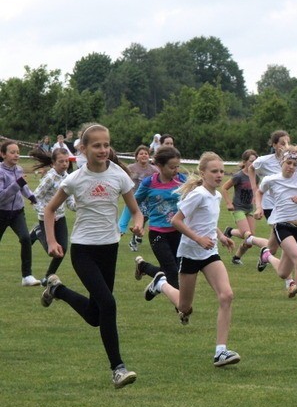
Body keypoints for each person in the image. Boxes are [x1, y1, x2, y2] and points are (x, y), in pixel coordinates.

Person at [40, 123, 143, 388]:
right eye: (96, 145)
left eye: (106, 144)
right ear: (83, 149)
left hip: (109, 249)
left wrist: (138, 222)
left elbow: (135, 210)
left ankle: (57, 289)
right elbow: (50, 210)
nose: (103, 149)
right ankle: (118, 369)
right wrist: (52, 241)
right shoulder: (75, 179)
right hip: (83, 250)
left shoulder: (119, 175)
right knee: (108, 304)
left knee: (96, 316)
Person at [170, 152, 240, 367]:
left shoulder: (216, 196)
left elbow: (208, 221)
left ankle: (221, 352)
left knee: (226, 295)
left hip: (209, 254)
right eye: (214, 171)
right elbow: (176, 221)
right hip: (190, 254)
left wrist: (221, 236)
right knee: (184, 307)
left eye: (221, 171)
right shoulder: (198, 194)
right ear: (203, 173)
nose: (219, 175)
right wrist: (199, 239)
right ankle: (160, 283)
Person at [254, 146, 297, 317]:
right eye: (288, 163)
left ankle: (267, 255)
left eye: (294, 164)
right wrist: (259, 208)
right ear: (282, 162)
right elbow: (259, 191)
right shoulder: (271, 179)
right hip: (282, 225)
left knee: (284, 272)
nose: (291, 167)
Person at [132, 146, 185, 309]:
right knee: (172, 272)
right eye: (172, 167)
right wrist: (133, 224)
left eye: (177, 166)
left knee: (174, 268)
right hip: (157, 233)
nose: (176, 170)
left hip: (178, 232)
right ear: (159, 166)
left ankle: (144, 267)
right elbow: (133, 203)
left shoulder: (183, 180)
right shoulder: (149, 182)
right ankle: (181, 308)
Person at [251, 130, 297, 296]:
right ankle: (290, 282)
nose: (286, 146)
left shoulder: (292, 161)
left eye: (288, 142)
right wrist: (255, 189)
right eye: (282, 143)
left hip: (289, 207)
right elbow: (251, 169)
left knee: (274, 247)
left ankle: (265, 253)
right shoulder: (264, 161)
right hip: (272, 207)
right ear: (274, 145)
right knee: (288, 244)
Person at [30, 148, 75, 284]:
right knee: (52, 251)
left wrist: (82, 207)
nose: (64, 164)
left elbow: (70, 202)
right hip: (45, 218)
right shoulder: (49, 177)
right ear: (53, 163)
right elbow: (35, 197)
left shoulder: (68, 178)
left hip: (60, 217)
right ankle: (38, 231)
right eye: (61, 161)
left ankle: (48, 276)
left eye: (66, 161)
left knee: (63, 249)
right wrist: (44, 212)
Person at [1, 140, 40, 286]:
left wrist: (32, 197)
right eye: (12, 152)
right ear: (3, 154)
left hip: (17, 212)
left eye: (17, 152)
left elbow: (23, 187)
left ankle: (27, 276)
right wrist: (18, 183)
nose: (16, 155)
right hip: (1, 212)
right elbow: (2, 197)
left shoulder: (18, 169)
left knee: (25, 238)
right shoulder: (0, 172)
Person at [222, 149, 257, 265]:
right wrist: (228, 203)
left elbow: (256, 190)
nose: (253, 163)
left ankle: (236, 257)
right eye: (251, 161)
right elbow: (224, 188)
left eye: (256, 161)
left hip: (249, 208)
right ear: (245, 162)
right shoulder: (239, 176)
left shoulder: (256, 176)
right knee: (248, 235)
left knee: (249, 242)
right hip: (238, 208)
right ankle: (230, 231)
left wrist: (257, 203)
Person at [119, 145, 157, 251]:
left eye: (146, 153)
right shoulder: (130, 168)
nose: (144, 155)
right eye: (141, 153)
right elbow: (123, 179)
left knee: (145, 217)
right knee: (135, 217)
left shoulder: (154, 170)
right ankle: (130, 237)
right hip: (133, 197)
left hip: (148, 199)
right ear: (136, 157)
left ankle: (135, 237)